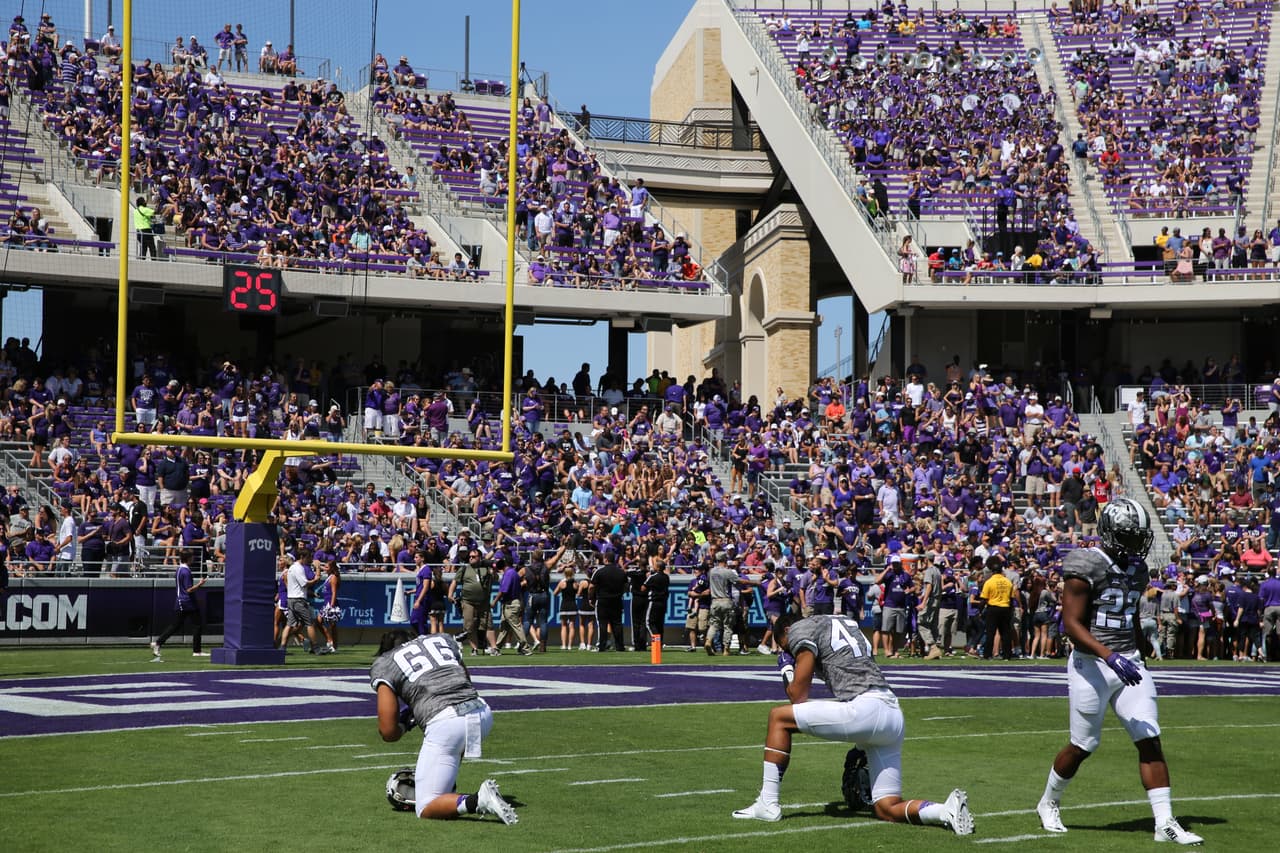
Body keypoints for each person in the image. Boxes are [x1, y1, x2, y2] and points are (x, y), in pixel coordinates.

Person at [1036, 498, 1204, 844]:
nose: (1135, 542)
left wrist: (1138, 650)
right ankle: (1048, 802)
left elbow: (1129, 617)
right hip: (1092, 665)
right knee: (1084, 744)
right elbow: (1070, 623)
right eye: (1129, 535)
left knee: (1150, 739)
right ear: (1111, 533)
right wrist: (1109, 656)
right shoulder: (1085, 563)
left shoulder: (1138, 568)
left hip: (1129, 661)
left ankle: (1164, 823)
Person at [732, 611, 973, 837]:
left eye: (786, 646)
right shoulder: (840, 623)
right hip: (892, 713)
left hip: (864, 709)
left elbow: (798, 696)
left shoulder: (798, 629)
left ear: (787, 629)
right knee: (887, 808)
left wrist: (786, 667)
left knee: (779, 717)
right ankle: (945, 811)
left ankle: (767, 803)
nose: (790, 651)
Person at [369, 628, 517, 825]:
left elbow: (388, 731)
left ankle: (478, 800)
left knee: (425, 806)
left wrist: (405, 724)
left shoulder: (385, 662)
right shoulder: (441, 639)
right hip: (481, 712)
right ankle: (445, 789)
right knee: (451, 750)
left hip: (448, 722)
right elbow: (464, 679)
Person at [150, 550, 207, 659]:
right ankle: (196, 651)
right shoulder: (185, 571)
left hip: (184, 601)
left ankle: (158, 643)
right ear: (188, 558)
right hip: (186, 602)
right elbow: (189, 590)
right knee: (191, 625)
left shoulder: (180, 569)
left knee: (180, 625)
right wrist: (200, 584)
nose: (193, 558)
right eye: (192, 557)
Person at [278, 549, 322, 653]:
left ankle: (282, 647)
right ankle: (315, 648)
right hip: (298, 600)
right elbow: (305, 583)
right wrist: (316, 576)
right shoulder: (299, 568)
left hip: (291, 599)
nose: (310, 559)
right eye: (308, 557)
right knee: (309, 623)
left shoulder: (292, 568)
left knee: (289, 624)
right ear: (302, 557)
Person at [317, 559, 341, 654]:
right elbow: (323, 567)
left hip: (331, 603)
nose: (325, 568)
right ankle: (329, 640)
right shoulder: (329, 576)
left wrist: (331, 605)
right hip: (326, 603)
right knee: (318, 621)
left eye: (327, 567)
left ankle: (334, 645)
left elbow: (334, 592)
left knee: (332, 626)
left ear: (331, 568)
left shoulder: (333, 577)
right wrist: (318, 566)